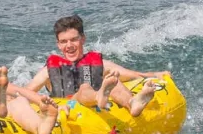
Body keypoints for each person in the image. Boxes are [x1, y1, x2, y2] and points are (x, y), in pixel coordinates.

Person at [26, 14, 163, 117]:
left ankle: (132, 103)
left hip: (96, 110)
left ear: (83, 39)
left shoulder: (100, 64)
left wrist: (156, 75)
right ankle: (99, 95)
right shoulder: (48, 71)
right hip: (69, 107)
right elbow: (26, 93)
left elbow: (132, 75)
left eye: (74, 40)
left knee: (113, 80)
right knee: (85, 88)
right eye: (63, 42)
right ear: (58, 45)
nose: (69, 46)